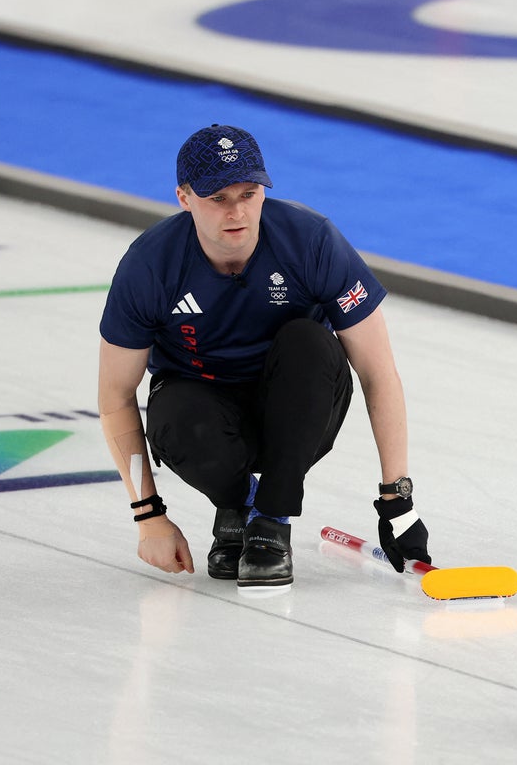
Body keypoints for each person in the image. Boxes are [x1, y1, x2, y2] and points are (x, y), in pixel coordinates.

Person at [97, 123, 430, 591]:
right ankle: (238, 504)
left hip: (300, 410)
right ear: (184, 197)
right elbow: (115, 395)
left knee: (310, 342)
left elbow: (378, 372)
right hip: (204, 412)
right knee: (175, 412)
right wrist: (148, 517)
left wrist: (398, 500)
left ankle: (271, 519)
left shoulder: (310, 241)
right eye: (218, 199)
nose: (237, 212)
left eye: (249, 194)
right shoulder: (150, 266)